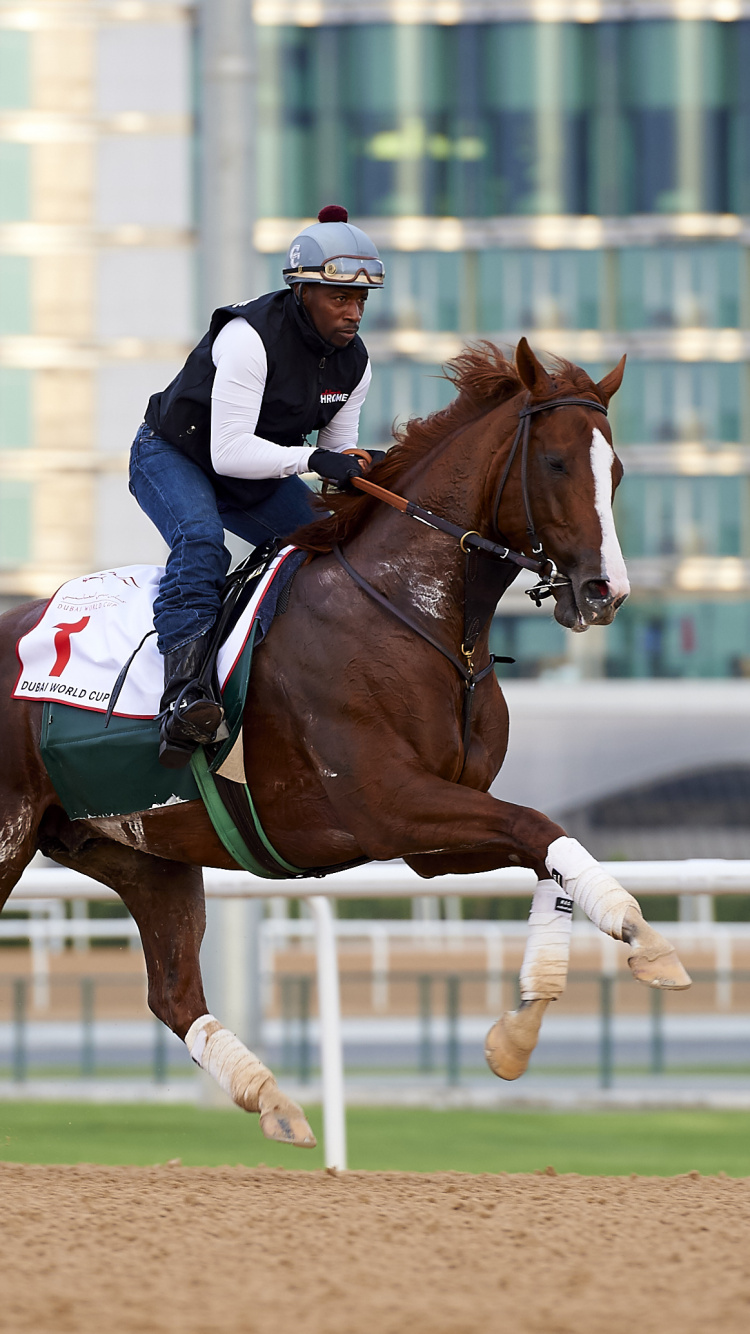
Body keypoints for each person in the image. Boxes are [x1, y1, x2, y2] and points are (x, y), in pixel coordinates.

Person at [129, 205, 385, 769]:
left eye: (361, 301)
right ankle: (183, 699)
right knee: (201, 545)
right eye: (340, 298)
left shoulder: (356, 364)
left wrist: (362, 470)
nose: (354, 313)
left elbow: (336, 460)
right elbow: (229, 452)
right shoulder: (249, 339)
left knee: (331, 546)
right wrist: (317, 458)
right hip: (174, 457)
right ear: (303, 292)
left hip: (254, 475)